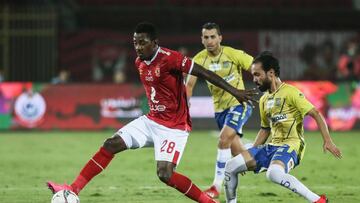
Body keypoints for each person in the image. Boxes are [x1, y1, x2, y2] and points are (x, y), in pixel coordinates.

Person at [46, 22, 257, 203]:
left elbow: (205, 73)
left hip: (174, 127)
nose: (137, 47)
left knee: (165, 174)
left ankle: (207, 200)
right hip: (151, 121)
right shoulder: (139, 62)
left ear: (154, 42)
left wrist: (235, 91)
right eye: (135, 42)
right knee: (111, 144)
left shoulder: (171, 58)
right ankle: (72, 189)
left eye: (142, 42)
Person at [223, 52, 342, 203]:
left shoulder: (291, 93)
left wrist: (328, 140)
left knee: (273, 174)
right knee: (231, 166)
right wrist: (251, 153)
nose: (254, 79)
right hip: (272, 146)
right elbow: (265, 129)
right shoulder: (264, 99)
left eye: (257, 75)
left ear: (271, 73)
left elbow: (316, 114)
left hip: (291, 146)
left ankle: (318, 200)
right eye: (253, 75)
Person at [186, 22, 254, 198]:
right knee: (246, 159)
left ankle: (215, 187)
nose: (210, 40)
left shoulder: (232, 54)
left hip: (240, 103)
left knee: (223, 139)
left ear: (220, 38)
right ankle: (268, 154)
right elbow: (190, 85)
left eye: (213, 36)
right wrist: (186, 103)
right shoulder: (199, 60)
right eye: (206, 37)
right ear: (202, 39)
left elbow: (255, 67)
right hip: (219, 110)